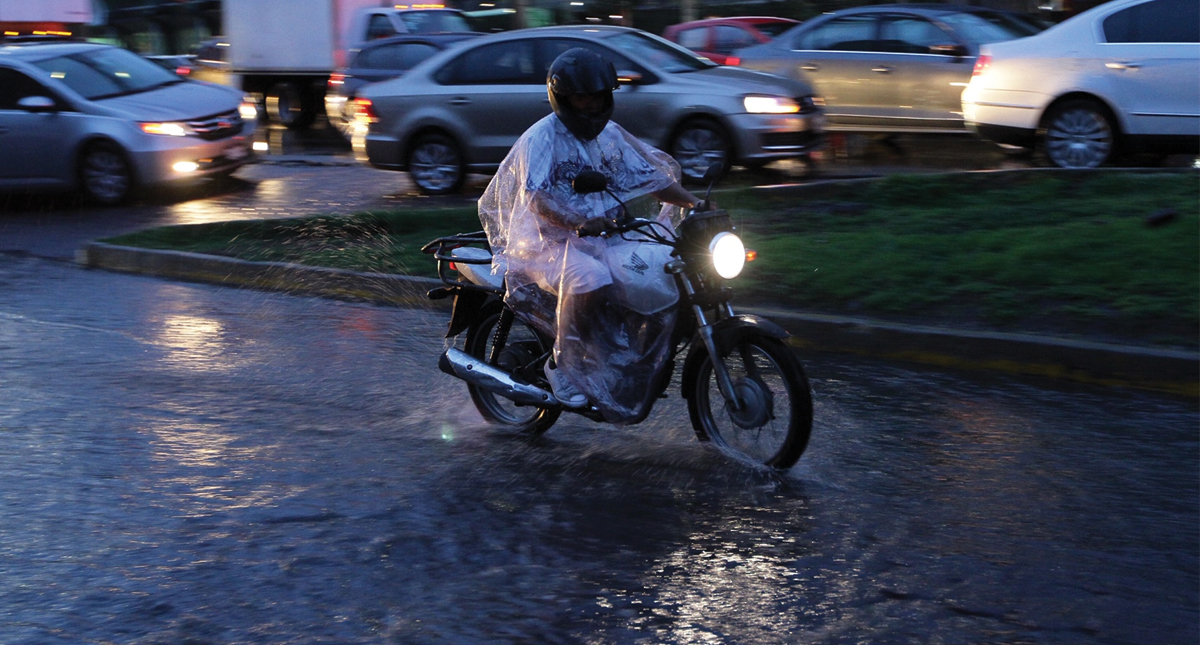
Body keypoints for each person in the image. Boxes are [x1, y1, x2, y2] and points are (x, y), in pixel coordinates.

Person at [477, 47, 704, 422]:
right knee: (590, 276)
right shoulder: (542, 137)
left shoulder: (610, 135)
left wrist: (697, 205)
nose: (593, 104)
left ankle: (618, 357)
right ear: (563, 98)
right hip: (544, 243)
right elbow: (536, 197)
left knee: (655, 268)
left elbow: (652, 179)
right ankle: (561, 366)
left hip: (601, 236)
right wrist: (576, 222)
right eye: (583, 96)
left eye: (599, 95)